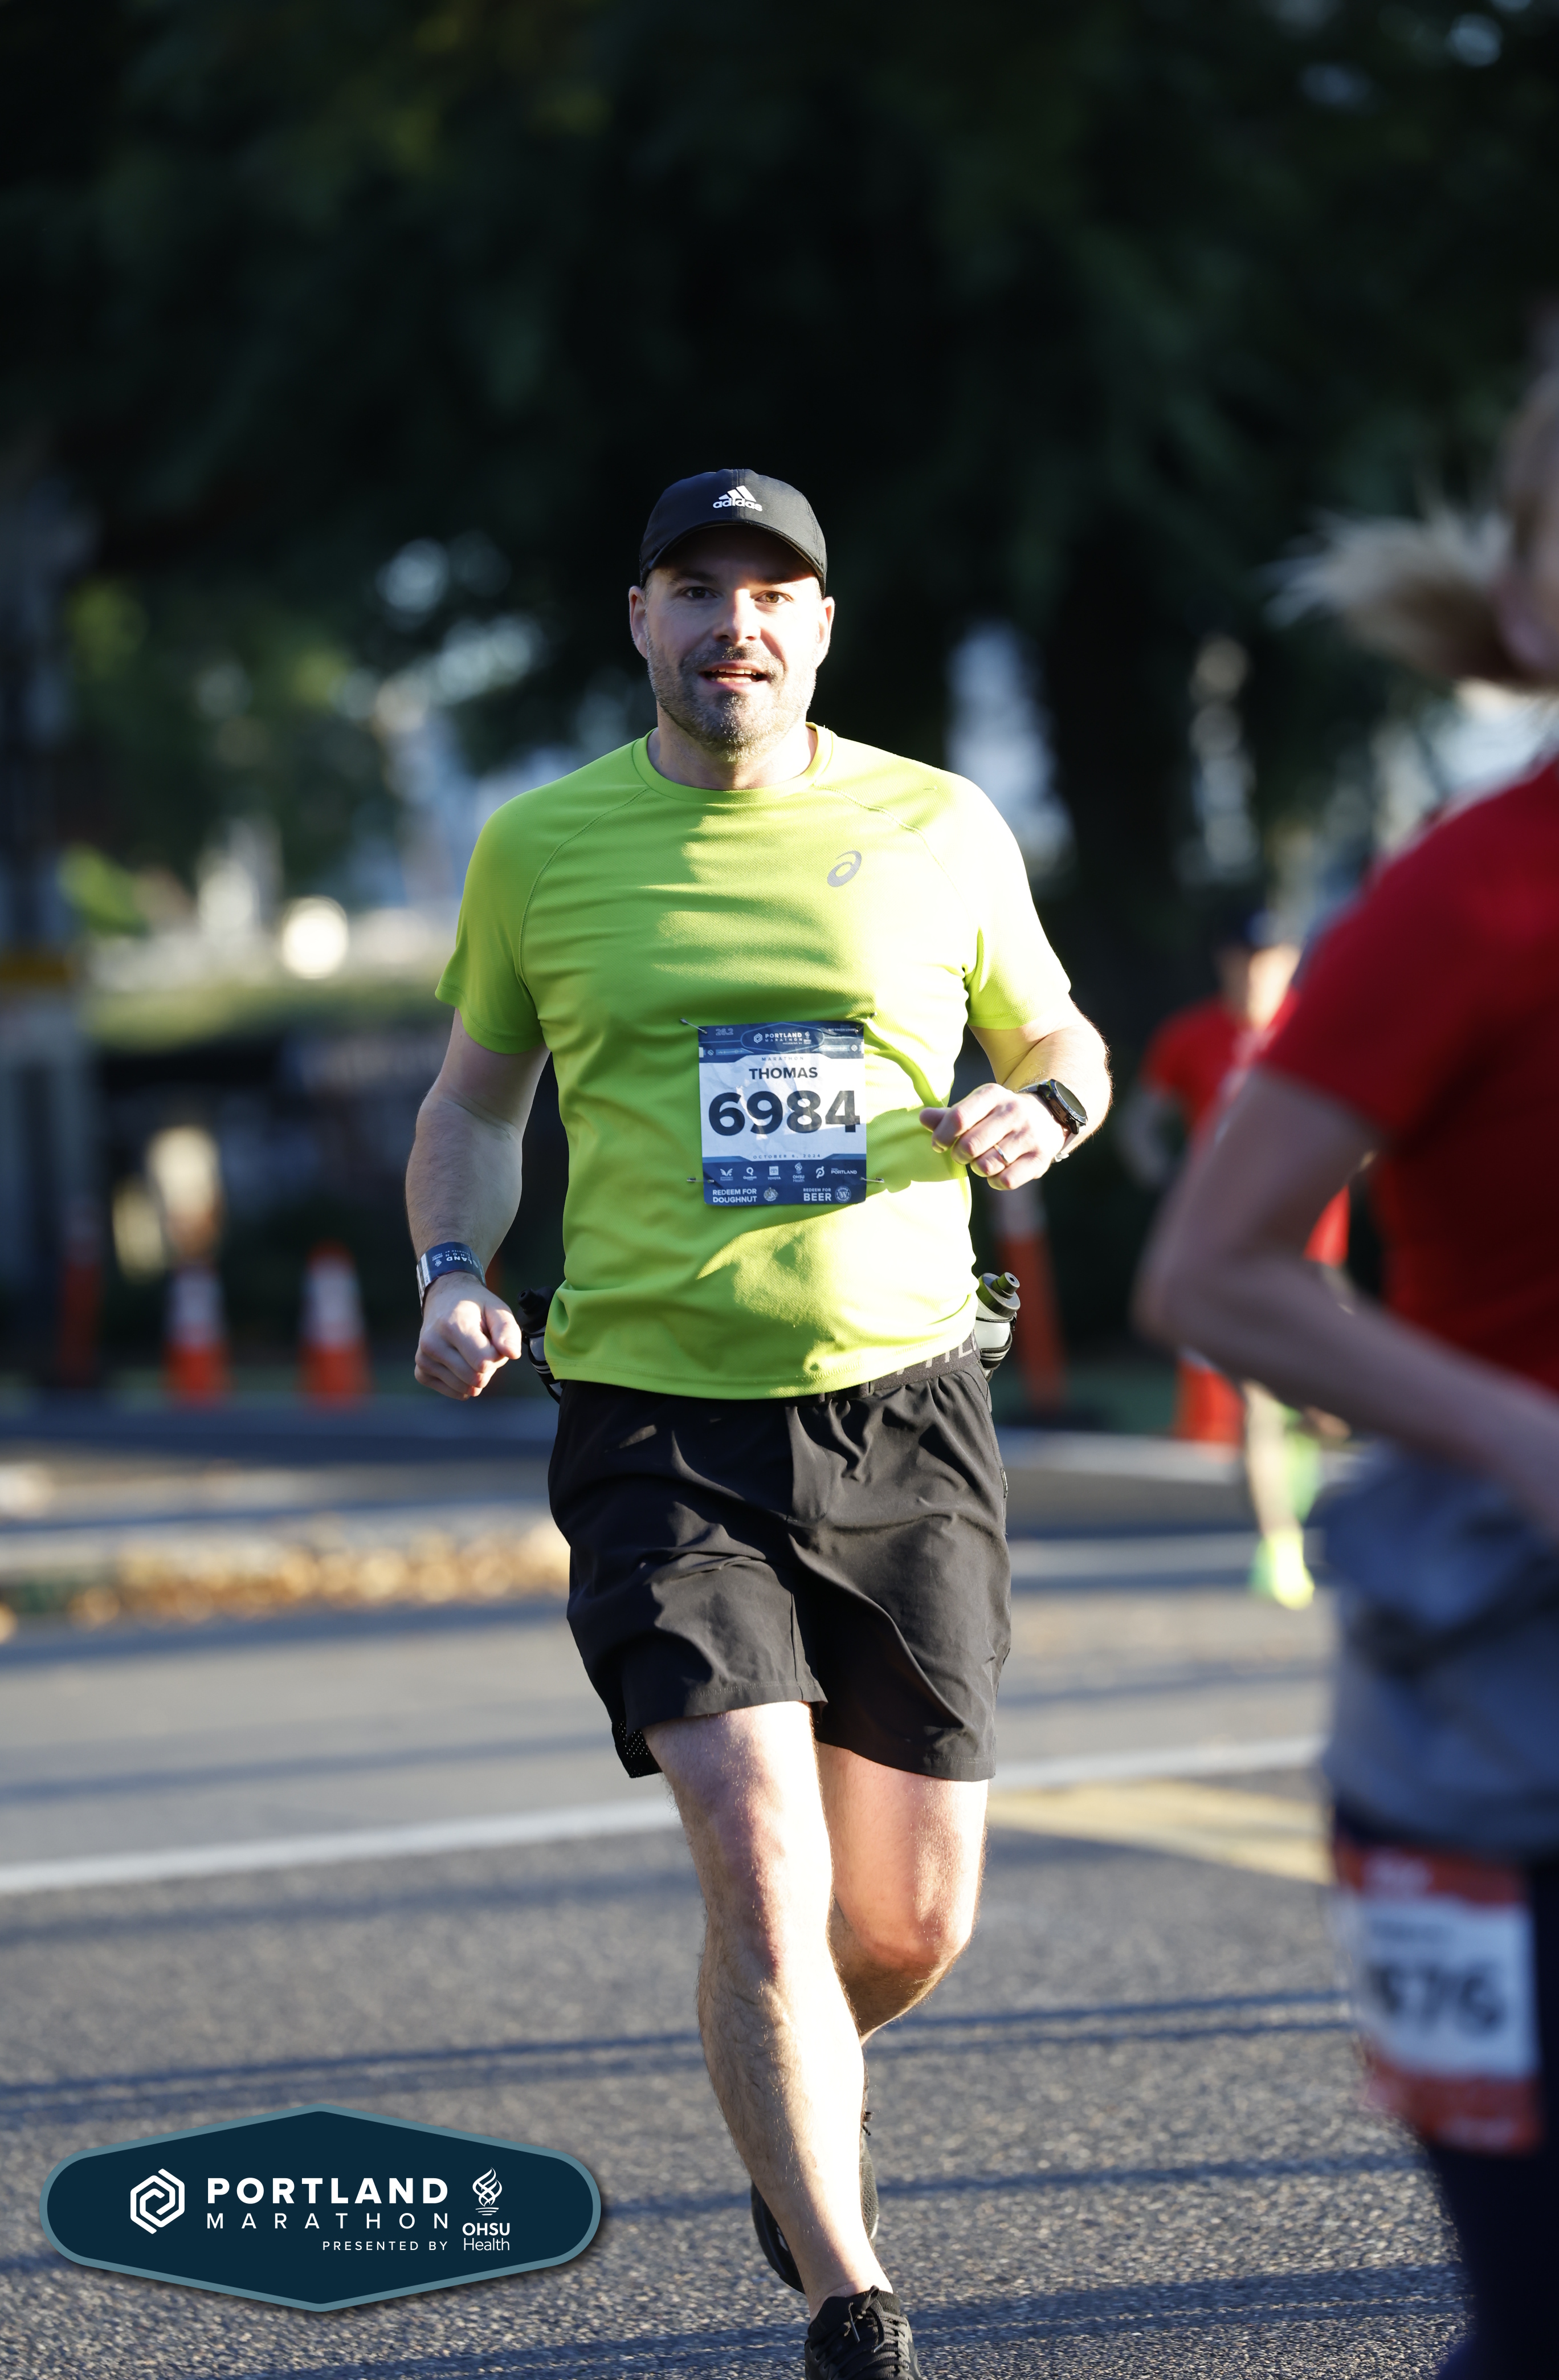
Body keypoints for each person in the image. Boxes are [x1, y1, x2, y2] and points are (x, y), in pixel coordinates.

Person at [407, 467, 1111, 2378]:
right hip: (656, 1424)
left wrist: (1043, 1109)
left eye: (773, 592)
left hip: (908, 1409)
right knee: (762, 1872)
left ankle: (776, 2081)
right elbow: (470, 1101)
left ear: (819, 624)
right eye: (698, 589)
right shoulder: (540, 845)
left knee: (908, 1923)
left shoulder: (939, 822)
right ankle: (846, 2294)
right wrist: (453, 1265)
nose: (738, 624)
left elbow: (1061, 1038)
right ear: (639, 618)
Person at [1134, 359, 1559, 2380]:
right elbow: (1211, 1270)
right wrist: (1535, 1441)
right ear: (1530, 598)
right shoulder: (1467, 898)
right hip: (1505, 1711)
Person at [1117, 911, 1349, 1607]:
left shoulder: (1321, 1025)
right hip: (1229, 1251)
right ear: (1224, 963)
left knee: (1329, 1407)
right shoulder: (1190, 1036)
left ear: (1292, 960)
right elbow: (1140, 1122)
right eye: (1245, 958)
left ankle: (1303, 1435)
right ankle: (1279, 1547)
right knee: (1253, 1398)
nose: (1257, 972)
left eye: (1270, 957)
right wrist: (1169, 1177)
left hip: (1314, 1252)